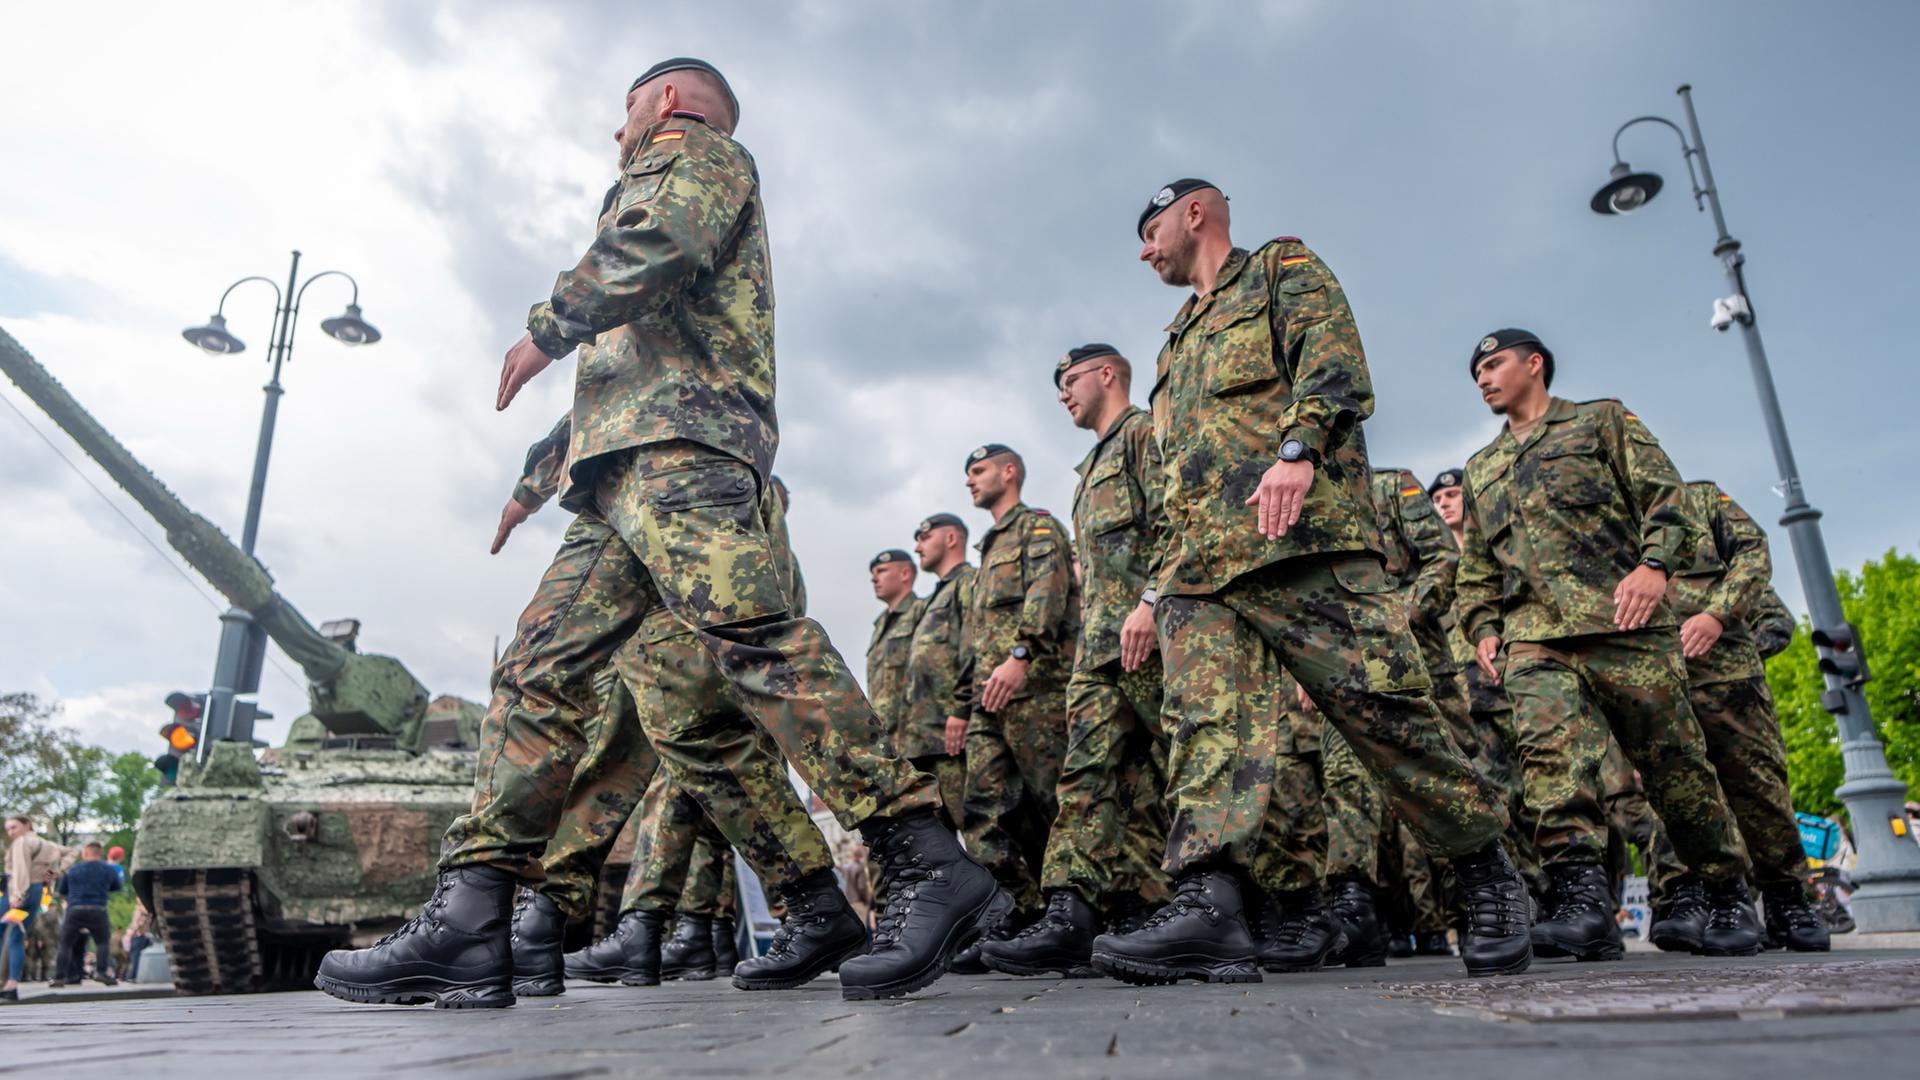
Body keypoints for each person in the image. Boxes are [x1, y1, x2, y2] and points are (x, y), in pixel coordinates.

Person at [317, 58, 1004, 1009]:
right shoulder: (653, 189)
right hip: (619, 474)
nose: (618, 130)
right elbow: (622, 375)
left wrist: (547, 325)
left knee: (756, 644)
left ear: (667, 101)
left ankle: (924, 858)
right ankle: (472, 917)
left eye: (626, 110)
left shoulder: (700, 157)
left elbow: (659, 246)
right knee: (538, 668)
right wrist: (534, 480)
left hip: (687, 453)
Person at [1095, 179, 1530, 985]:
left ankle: (1484, 870)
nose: (1144, 249)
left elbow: (1333, 367)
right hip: (1202, 571)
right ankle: (1210, 906)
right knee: (1208, 732)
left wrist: (1297, 452)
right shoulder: (1174, 342)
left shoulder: (1278, 271)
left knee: (1385, 716)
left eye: (1150, 229)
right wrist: (1157, 591)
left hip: (1300, 543)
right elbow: (1175, 479)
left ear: (1195, 213)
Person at [1456, 327, 1761, 961]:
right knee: (1549, 767)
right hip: (1537, 641)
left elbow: (1667, 499)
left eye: (1494, 364)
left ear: (1534, 365)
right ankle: (1583, 904)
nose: (1483, 378)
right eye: (1477, 372)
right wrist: (1484, 626)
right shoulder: (1482, 469)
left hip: (1627, 629)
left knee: (1677, 769)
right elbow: (1479, 566)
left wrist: (1655, 566)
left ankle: (1727, 891)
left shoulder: (1602, 423)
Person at [982, 344, 1173, 977]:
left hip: (1160, 641)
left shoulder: (1146, 434)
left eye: (1069, 381)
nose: (1063, 394)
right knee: (1085, 778)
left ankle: (1267, 906)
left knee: (1187, 772)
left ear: (1107, 374)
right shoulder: (1090, 466)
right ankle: (1071, 913)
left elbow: (1177, 524)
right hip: (1098, 656)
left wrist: (1149, 601)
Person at [1647, 480, 1827, 952]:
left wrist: (1719, 617)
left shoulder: (1701, 499)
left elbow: (1754, 554)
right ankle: (1688, 899)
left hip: (1728, 680)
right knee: (1675, 793)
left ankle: (1788, 899)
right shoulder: (1609, 516)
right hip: (1653, 683)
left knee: (1758, 787)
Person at [1431, 468, 1542, 899]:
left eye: (1454, 494)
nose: (1445, 503)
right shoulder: (1437, 566)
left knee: (1542, 791)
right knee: (1496, 796)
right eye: (1438, 499)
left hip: (1519, 687)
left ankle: (1576, 891)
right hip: (1468, 699)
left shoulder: (1497, 556)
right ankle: (1531, 891)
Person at [902, 512, 976, 829]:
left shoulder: (968, 583)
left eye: (924, 537)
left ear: (950, 538)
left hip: (954, 738)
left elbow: (974, 649)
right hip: (925, 741)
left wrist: (962, 708)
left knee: (979, 836)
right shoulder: (935, 598)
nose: (918, 547)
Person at [863, 548, 922, 902]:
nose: (874, 576)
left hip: (920, 743)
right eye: (873, 571)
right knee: (893, 839)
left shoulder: (921, 614)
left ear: (905, 574)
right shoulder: (878, 629)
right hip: (888, 749)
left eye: (882, 569)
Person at [4, 816, 71, 1000]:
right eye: (8, 829)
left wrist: (17, 895)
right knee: (16, 936)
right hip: (35, 891)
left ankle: (8, 982)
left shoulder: (22, 842)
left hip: (17, 891)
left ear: (27, 825)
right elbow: (72, 852)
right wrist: (57, 872)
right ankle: (11, 983)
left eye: (14, 827)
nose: (11, 832)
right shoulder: (48, 844)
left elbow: (20, 870)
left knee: (7, 934)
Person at [52, 841, 119, 987]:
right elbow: (116, 886)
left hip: (75, 909)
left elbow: (62, 890)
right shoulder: (108, 869)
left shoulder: (73, 869)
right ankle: (101, 973)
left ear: (85, 853)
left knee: (65, 944)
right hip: (98, 909)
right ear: (99, 853)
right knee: (102, 942)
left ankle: (59, 977)